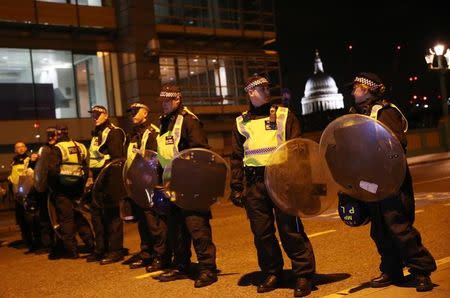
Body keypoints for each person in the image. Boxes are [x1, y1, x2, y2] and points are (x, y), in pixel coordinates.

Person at [348, 72, 436, 292]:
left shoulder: (385, 112)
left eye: (356, 87)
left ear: (366, 89)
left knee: (399, 227)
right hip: (369, 181)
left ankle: (421, 270)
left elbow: (396, 146)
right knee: (379, 229)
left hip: (389, 181)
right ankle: (391, 270)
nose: (352, 91)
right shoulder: (354, 114)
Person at [230, 75, 316, 297]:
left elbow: (299, 150)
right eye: (261, 88)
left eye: (268, 87)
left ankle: (303, 275)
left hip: (282, 181)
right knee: (262, 233)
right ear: (250, 93)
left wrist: (302, 182)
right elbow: (237, 157)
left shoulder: (284, 115)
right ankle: (272, 272)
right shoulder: (241, 122)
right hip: (255, 184)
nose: (267, 91)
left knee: (290, 230)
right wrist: (237, 187)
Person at [154, 84, 218, 288]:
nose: (164, 105)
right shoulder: (165, 122)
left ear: (177, 99)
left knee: (196, 227)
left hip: (189, 185)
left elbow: (201, 153)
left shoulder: (189, 121)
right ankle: (181, 265)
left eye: (167, 101)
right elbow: (164, 156)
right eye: (162, 101)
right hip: (169, 185)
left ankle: (208, 269)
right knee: (176, 229)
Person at [124, 102, 164, 270]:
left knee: (154, 223)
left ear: (146, 114)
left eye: (136, 111)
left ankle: (160, 256)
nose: (132, 114)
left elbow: (155, 159)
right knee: (143, 223)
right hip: (136, 185)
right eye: (131, 112)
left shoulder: (153, 133)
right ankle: (146, 254)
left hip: (150, 184)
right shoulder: (133, 135)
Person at [87, 105, 127, 265]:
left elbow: (116, 159)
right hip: (98, 179)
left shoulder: (113, 131)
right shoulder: (97, 133)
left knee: (112, 217)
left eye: (98, 114)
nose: (95, 117)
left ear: (106, 115)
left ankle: (115, 251)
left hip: (109, 179)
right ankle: (101, 249)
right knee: (97, 216)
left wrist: (108, 180)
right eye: (93, 115)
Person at [47, 125, 90, 259]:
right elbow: (85, 168)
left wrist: (53, 187)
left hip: (62, 189)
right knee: (79, 217)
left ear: (57, 135)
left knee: (66, 220)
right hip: (77, 188)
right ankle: (91, 243)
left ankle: (72, 250)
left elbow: (53, 171)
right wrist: (81, 186)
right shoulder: (80, 146)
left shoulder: (57, 148)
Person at [7, 141, 38, 251]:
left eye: (22, 147)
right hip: (17, 195)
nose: (20, 149)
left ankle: (36, 242)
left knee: (30, 219)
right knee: (21, 220)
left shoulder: (30, 160)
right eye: (17, 147)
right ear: (15, 150)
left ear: (25, 148)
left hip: (28, 195)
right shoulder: (13, 162)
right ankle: (28, 242)